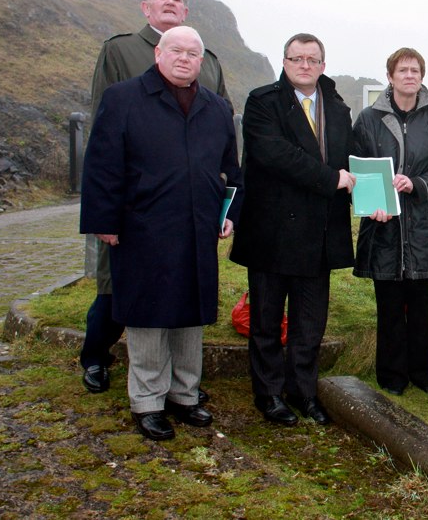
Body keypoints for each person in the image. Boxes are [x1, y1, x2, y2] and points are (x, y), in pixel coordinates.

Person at [79, 26, 242, 441]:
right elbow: (102, 164)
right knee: (148, 314)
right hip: (142, 228)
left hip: (198, 227)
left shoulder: (217, 108)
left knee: (192, 313)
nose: (184, 58)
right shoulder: (124, 99)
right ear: (158, 54)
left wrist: (230, 213)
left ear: (201, 62)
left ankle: (184, 394)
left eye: (193, 53)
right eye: (176, 50)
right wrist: (104, 221)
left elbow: (232, 170)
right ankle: (148, 401)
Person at [230, 33, 355, 426]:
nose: (304, 65)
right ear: (284, 62)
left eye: (312, 59)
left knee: (310, 322)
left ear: (322, 64)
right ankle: (267, 395)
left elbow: (351, 159)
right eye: (296, 58)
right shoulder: (262, 101)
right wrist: (330, 179)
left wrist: (372, 192)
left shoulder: (337, 107)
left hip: (319, 232)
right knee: (266, 319)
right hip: (271, 229)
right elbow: (274, 155)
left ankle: (303, 392)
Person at [352, 47, 428, 398]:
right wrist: (372, 203)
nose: (409, 75)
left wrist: (417, 184)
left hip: (425, 225)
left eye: (415, 70)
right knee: (389, 305)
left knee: (422, 305)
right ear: (390, 76)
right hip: (383, 227)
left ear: (422, 77)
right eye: (403, 70)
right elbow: (359, 167)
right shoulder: (368, 119)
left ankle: (425, 375)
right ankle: (391, 376)